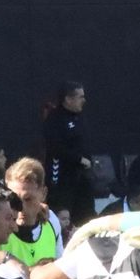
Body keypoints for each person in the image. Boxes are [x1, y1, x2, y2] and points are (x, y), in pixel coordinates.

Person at [44, 81, 92, 218]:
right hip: (62, 177)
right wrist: (78, 159)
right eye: (80, 97)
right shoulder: (55, 119)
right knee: (62, 212)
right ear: (68, 99)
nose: (84, 100)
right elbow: (55, 147)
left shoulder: (79, 117)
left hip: (81, 176)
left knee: (86, 213)